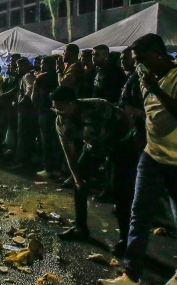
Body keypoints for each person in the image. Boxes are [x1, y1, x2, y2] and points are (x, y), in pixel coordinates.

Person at [99, 33, 177, 285]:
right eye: (136, 61)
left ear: (159, 54)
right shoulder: (147, 77)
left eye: (142, 59)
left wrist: (156, 88)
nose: (139, 66)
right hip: (154, 155)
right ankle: (131, 276)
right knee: (139, 213)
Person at [52, 87, 135, 252]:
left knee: (120, 192)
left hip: (121, 144)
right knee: (79, 182)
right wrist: (77, 179)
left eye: (61, 108)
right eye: (55, 108)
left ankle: (126, 240)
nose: (58, 112)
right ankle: (80, 228)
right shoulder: (61, 122)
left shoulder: (98, 106)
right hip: (94, 147)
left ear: (72, 104)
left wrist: (110, 150)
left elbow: (126, 121)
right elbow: (70, 153)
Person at [33, 56, 61, 179]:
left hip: (45, 112)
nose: (41, 66)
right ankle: (57, 169)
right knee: (57, 142)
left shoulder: (41, 77)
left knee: (46, 141)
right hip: (56, 112)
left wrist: (38, 107)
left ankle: (48, 168)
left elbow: (34, 96)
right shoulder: (59, 77)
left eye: (43, 64)